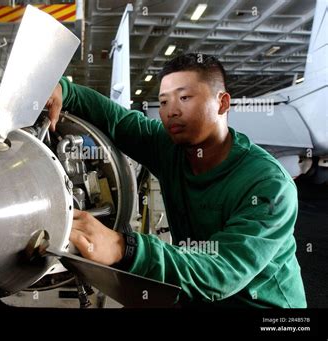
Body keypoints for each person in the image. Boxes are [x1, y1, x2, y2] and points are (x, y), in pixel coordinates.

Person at [45, 53, 306, 308]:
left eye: (185, 98)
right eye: (164, 101)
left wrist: (125, 248)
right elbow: (118, 120)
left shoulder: (269, 184)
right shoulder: (170, 148)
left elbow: (222, 272)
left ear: (223, 103)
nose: (171, 111)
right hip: (193, 293)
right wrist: (65, 90)